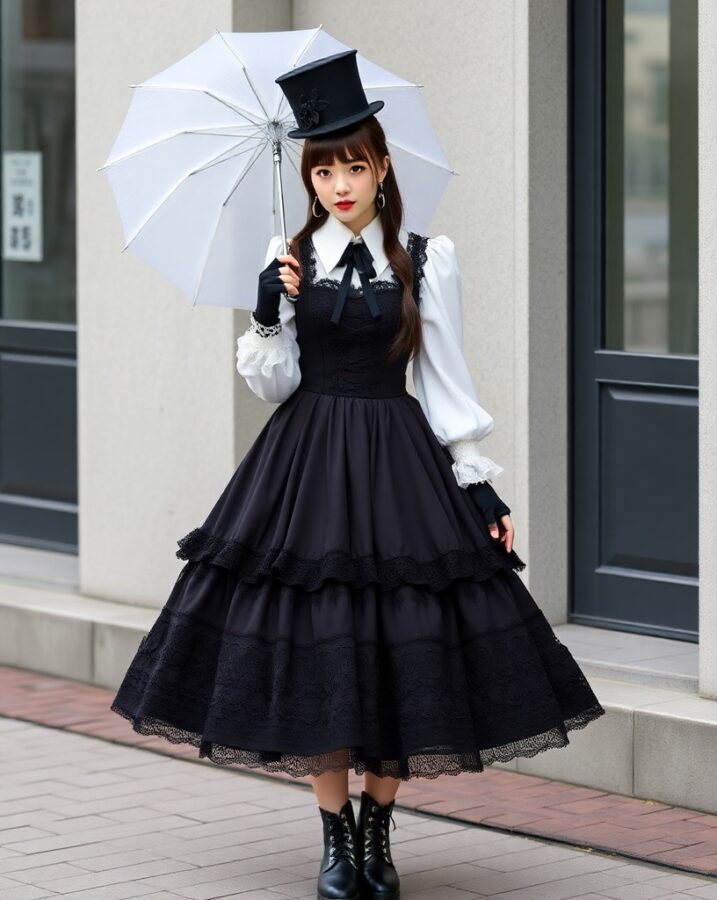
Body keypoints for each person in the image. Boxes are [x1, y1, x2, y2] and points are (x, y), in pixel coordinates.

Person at [110, 49, 605, 900]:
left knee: (405, 645)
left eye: (353, 166)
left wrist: (476, 480)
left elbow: (446, 379)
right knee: (320, 649)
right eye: (323, 169)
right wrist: (268, 309)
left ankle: (379, 825)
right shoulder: (289, 252)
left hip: (398, 461)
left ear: (381, 168)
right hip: (303, 464)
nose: (339, 184)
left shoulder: (423, 255)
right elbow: (273, 384)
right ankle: (336, 841)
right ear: (309, 176)